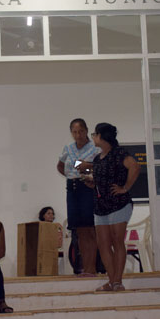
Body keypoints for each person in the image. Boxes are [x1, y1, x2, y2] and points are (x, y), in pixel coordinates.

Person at [80, 123, 140, 292]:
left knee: (117, 241)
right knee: (103, 244)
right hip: (101, 205)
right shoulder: (98, 158)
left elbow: (135, 167)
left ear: (102, 136)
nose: (93, 137)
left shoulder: (119, 153)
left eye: (94, 134)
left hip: (119, 204)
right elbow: (98, 177)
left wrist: (125, 188)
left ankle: (118, 281)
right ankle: (112, 280)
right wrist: (92, 183)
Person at [57, 118, 99, 277]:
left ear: (86, 130)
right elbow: (60, 165)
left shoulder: (94, 147)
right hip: (72, 188)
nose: (78, 135)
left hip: (87, 187)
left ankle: (92, 267)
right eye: (74, 132)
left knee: (90, 228)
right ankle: (84, 268)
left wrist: (88, 170)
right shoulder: (68, 148)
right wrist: (70, 175)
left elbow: (101, 166)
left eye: (80, 131)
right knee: (80, 230)